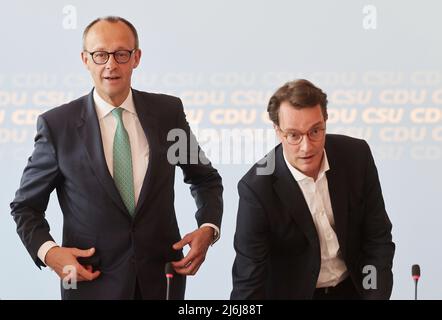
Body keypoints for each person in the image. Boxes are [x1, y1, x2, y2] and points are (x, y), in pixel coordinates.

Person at [10, 16, 223, 300]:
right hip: (90, 284)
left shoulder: (167, 113)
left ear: (136, 58)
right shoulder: (57, 126)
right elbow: (25, 207)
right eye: (100, 55)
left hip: (162, 282)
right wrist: (49, 253)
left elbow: (204, 178)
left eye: (122, 54)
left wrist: (208, 228)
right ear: (85, 59)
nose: (111, 64)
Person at [231, 79, 395, 300]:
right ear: (278, 132)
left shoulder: (356, 156)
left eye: (315, 131)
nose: (307, 146)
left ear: (325, 121)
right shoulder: (256, 189)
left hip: (354, 288)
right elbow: (249, 279)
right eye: (294, 135)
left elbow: (377, 239)